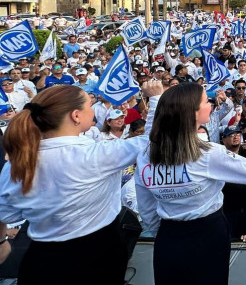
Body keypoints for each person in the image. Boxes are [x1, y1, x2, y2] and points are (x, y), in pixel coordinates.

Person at [0, 85, 148, 284]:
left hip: (40, 261)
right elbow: (155, 140)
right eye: (89, 104)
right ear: (76, 116)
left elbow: (5, 213)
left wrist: (2, 242)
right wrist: (154, 99)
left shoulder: (16, 164)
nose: (94, 110)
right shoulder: (97, 155)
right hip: (98, 260)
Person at [135, 82, 246, 285]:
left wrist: (163, 232)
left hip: (168, 237)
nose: (212, 105)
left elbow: (146, 208)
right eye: (207, 101)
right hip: (208, 235)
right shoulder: (207, 153)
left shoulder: (146, 154)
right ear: (193, 112)